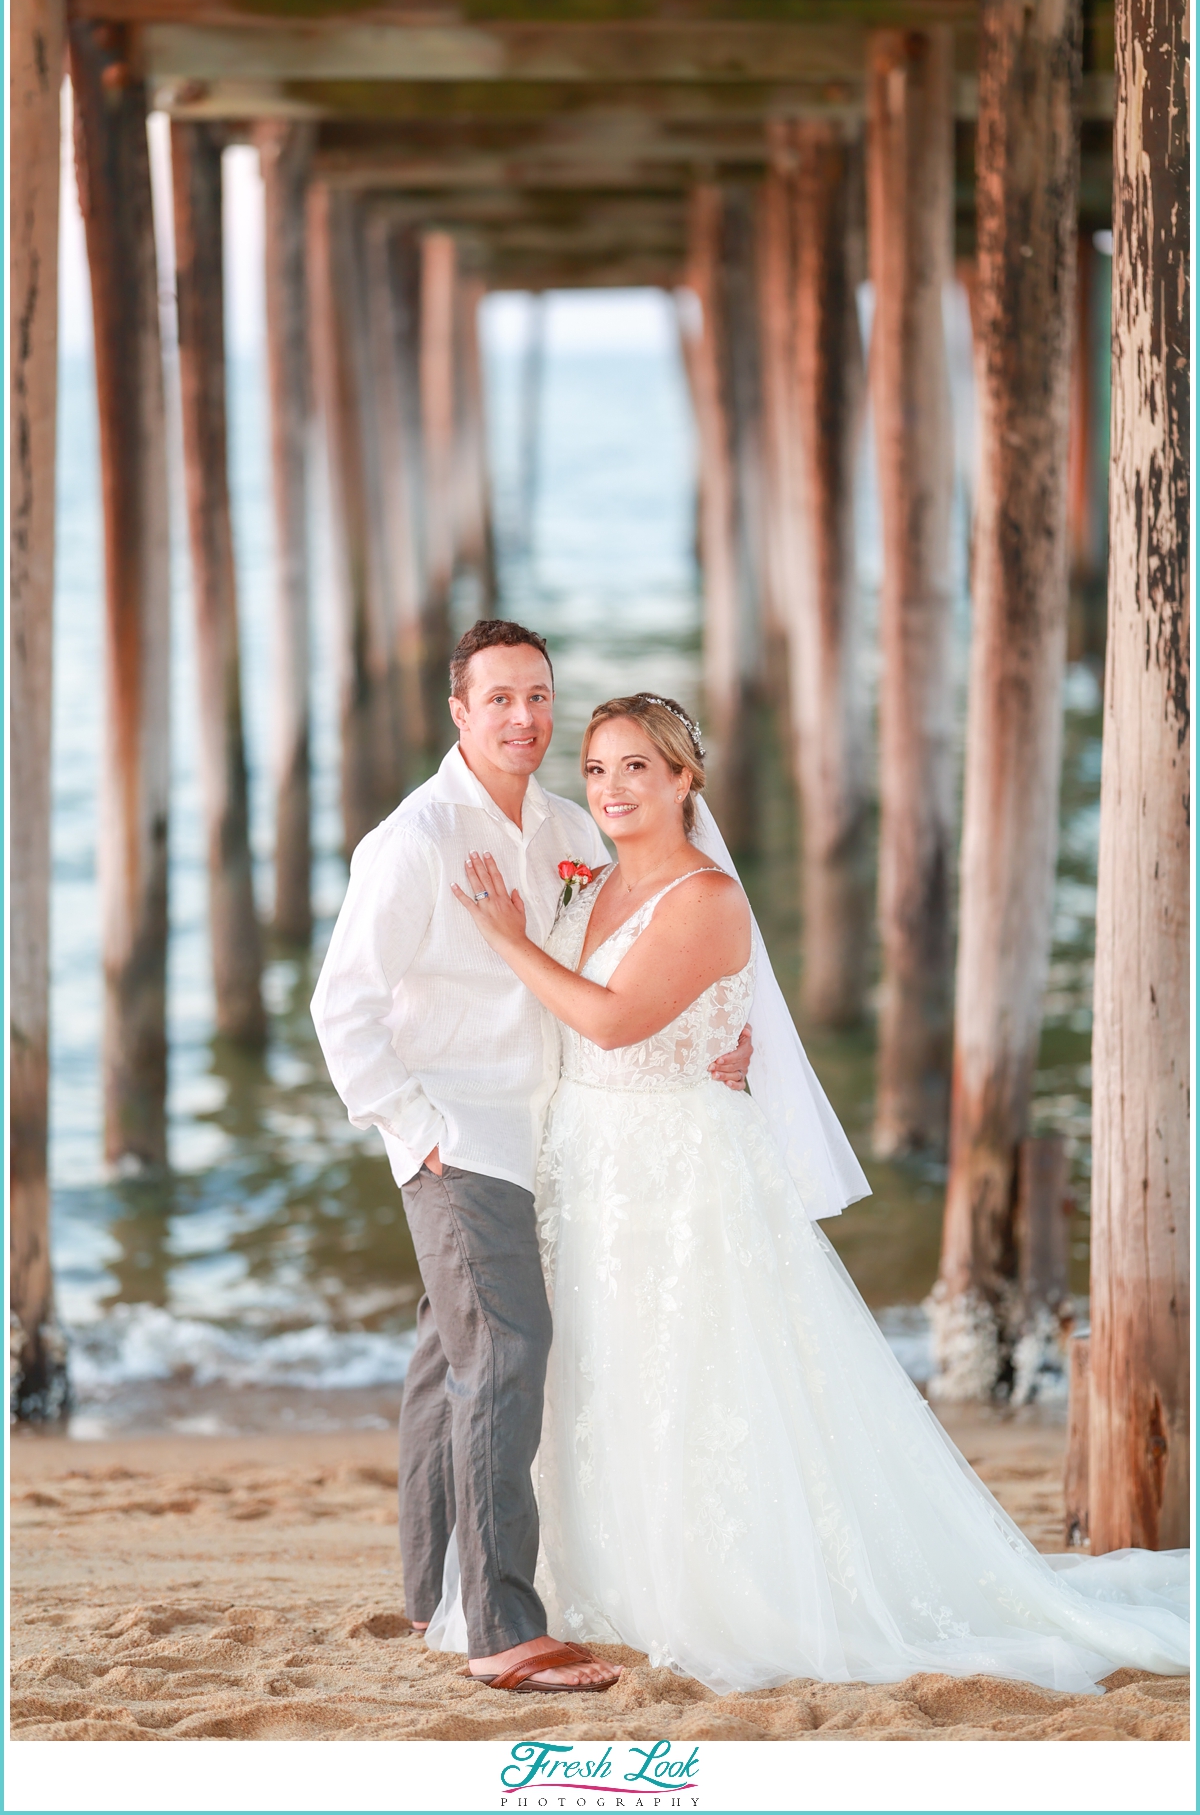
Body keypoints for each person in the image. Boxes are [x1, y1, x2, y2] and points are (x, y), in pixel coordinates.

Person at [444, 691, 1189, 1696]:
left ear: (683, 780)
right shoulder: (597, 890)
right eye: (598, 769)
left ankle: (714, 1593)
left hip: (677, 1172)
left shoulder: (707, 899)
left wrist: (507, 940)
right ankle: (600, 1586)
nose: (613, 789)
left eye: (636, 769)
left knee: (694, 1375)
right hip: (591, 1163)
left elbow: (614, 1022)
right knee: (603, 1371)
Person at [310, 627, 752, 1694]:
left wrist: (709, 1032)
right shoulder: (412, 840)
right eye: (499, 699)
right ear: (459, 711)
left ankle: (436, 1597)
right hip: (459, 1138)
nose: (524, 719)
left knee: (449, 1357)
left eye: (539, 697)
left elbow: (621, 962)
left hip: (554, 1134)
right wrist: (418, 1135)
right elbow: (343, 1009)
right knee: (507, 1349)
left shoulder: (565, 827)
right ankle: (504, 1628)